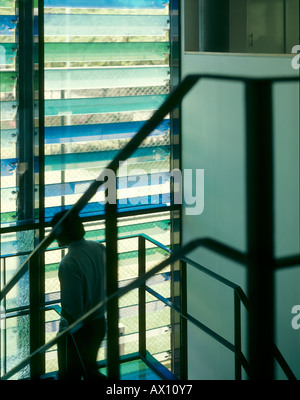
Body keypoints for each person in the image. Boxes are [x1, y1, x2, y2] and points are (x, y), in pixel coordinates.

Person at [51, 210, 107, 380]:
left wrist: (63, 333)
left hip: (78, 332)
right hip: (98, 324)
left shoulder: (68, 263)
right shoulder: (99, 248)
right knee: (88, 369)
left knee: (70, 376)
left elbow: (74, 310)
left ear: (64, 232)